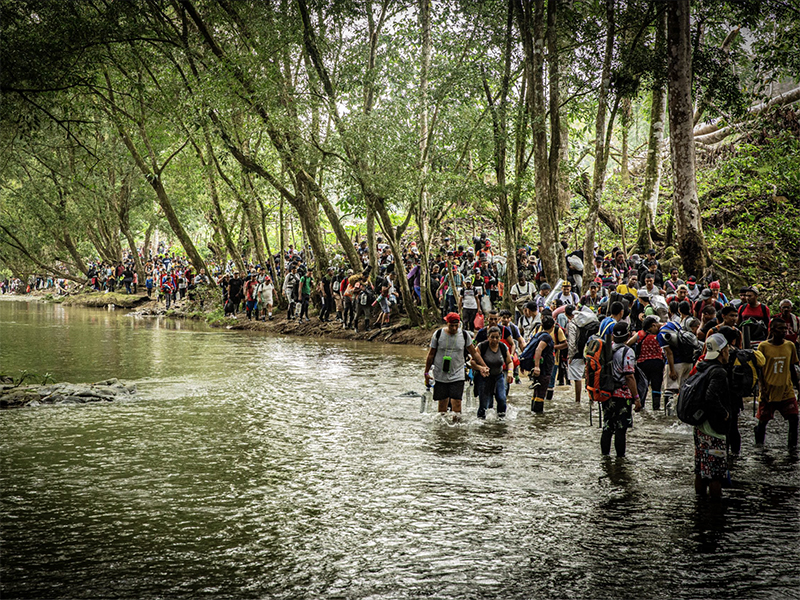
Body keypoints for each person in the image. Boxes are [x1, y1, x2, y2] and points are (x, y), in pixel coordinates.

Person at [424, 313, 490, 421]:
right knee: (442, 406)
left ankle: (457, 430)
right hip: (440, 373)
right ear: (447, 323)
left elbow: (474, 353)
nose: (454, 328)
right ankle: (442, 432)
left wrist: (484, 366)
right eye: (451, 326)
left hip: (458, 373)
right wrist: (426, 373)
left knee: (457, 403)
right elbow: (431, 354)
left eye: (456, 325)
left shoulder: (464, 335)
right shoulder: (438, 334)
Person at [693, 333, 732, 499]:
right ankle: (716, 514)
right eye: (727, 350)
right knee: (715, 475)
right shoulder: (718, 372)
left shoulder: (702, 366)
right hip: (713, 429)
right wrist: (724, 413)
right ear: (721, 351)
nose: (729, 353)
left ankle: (700, 505)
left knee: (701, 469)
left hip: (700, 426)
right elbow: (711, 397)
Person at [755, 318, 799, 450]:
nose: (784, 331)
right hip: (769, 390)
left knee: (794, 419)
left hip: (786, 389)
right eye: (781, 329)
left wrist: (798, 386)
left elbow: (792, 367)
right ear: (772, 330)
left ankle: (792, 448)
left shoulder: (790, 346)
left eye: (785, 329)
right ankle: (759, 448)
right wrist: (762, 387)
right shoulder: (763, 346)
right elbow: (760, 369)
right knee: (763, 421)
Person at [601, 321, 642, 457]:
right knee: (620, 429)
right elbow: (629, 376)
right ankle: (620, 461)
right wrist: (636, 398)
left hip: (607, 394)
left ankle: (605, 458)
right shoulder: (627, 351)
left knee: (607, 427)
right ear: (628, 335)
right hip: (622, 396)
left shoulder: (608, 348)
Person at [476, 326, 514, 418]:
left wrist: (510, 372)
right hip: (484, 378)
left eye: (497, 337)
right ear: (488, 337)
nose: (494, 340)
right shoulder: (482, 346)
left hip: (498, 376)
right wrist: (480, 368)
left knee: (502, 399)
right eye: (492, 337)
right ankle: (481, 422)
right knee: (485, 404)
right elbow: (472, 362)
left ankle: (501, 421)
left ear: (500, 337)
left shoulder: (502, 347)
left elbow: (509, 362)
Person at [630, 316, 664, 410]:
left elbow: (628, 344)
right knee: (656, 386)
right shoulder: (660, 334)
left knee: (642, 386)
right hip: (657, 363)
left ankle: (640, 406)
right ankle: (656, 408)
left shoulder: (640, 334)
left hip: (642, 364)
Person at [530, 315, 556, 413]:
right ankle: (538, 416)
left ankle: (534, 414)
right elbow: (539, 349)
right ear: (553, 326)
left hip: (541, 368)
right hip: (544, 369)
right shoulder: (547, 337)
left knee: (536, 392)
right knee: (541, 393)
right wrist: (537, 367)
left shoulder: (539, 335)